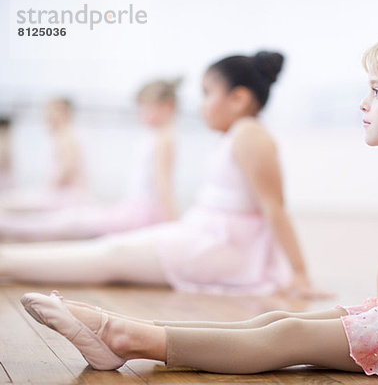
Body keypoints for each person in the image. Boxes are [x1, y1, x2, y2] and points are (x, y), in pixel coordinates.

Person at [17, 31, 378, 384]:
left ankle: (123, 335)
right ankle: (124, 330)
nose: (363, 103)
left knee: (283, 340)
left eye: (377, 91)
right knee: (278, 319)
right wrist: (370, 311)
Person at [2, 51, 321, 297]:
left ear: (238, 98)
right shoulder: (236, 134)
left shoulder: (250, 133)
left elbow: (274, 207)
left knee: (112, 255)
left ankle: (7, 261)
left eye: (208, 93)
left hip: (224, 246)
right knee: (113, 251)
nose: (201, 104)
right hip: (207, 235)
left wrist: (299, 273)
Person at [0, 80, 178, 241]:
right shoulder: (156, 136)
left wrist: (174, 227)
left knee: (62, 222)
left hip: (140, 213)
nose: (140, 114)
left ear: (167, 107)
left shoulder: (164, 139)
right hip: (134, 209)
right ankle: (7, 225)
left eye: (145, 108)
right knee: (61, 221)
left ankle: (6, 226)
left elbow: (163, 186)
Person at [0, 98, 87, 213]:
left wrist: (48, 190)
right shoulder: (65, 137)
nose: (47, 117)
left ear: (64, 113)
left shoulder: (66, 138)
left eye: (51, 112)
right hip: (65, 194)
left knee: (8, 204)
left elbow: (68, 168)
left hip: (66, 196)